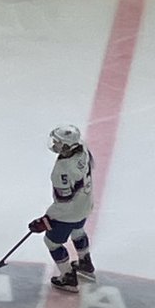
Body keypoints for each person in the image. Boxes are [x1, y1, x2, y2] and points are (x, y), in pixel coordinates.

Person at [28, 125, 95, 293]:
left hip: (69, 213)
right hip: (86, 204)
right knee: (78, 231)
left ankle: (68, 277)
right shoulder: (83, 149)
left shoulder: (62, 171)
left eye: (58, 143)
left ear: (67, 146)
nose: (55, 145)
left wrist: (46, 219)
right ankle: (85, 262)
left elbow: (63, 202)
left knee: (52, 242)